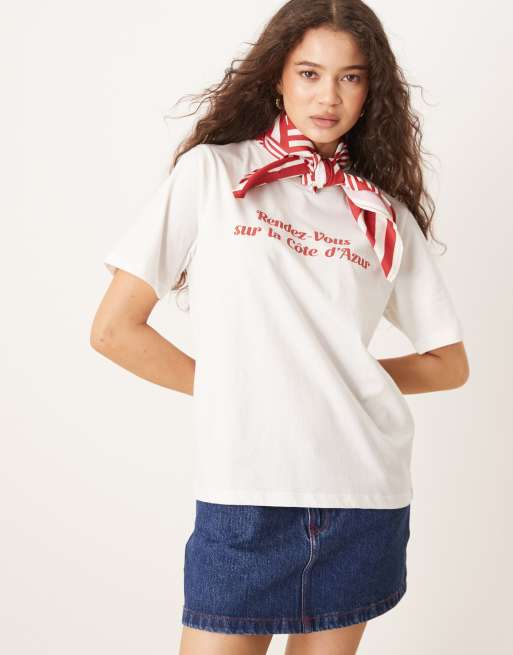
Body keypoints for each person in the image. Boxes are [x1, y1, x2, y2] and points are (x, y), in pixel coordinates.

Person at [90, 0, 470, 653]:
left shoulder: (381, 212)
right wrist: (240, 387)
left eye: (350, 77)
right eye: (309, 73)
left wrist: (333, 380)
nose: (329, 96)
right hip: (246, 486)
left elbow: (448, 363)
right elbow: (114, 331)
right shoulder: (213, 174)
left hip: (361, 491)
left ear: (370, 90)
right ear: (277, 77)